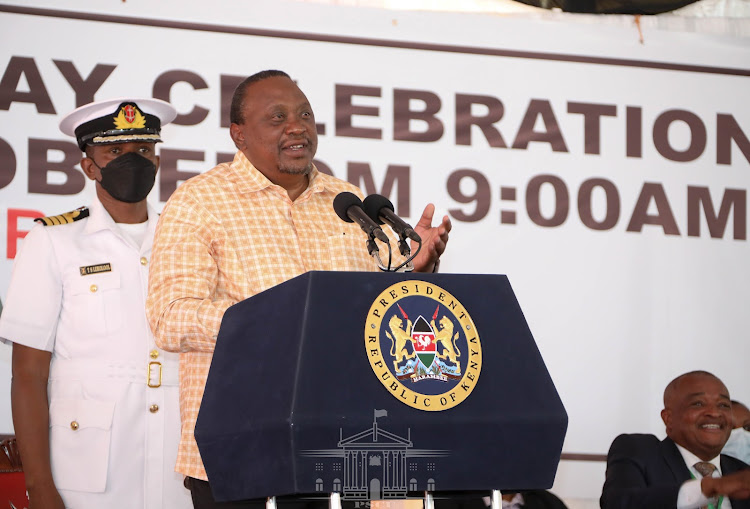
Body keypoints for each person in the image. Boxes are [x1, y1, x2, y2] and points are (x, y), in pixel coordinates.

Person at [145, 69, 452, 508]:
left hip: (347, 447)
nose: (297, 126)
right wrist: (278, 320)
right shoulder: (199, 201)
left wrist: (414, 274)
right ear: (239, 134)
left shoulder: (347, 202)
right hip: (242, 446)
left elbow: (375, 320)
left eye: (304, 114)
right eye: (277, 117)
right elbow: (170, 317)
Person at [0, 98, 192, 509]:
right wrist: (40, 486)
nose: (134, 161)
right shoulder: (52, 241)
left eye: (143, 151)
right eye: (116, 152)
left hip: (178, 461)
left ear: (157, 160)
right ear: (90, 166)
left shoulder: (186, 242)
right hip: (87, 468)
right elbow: (29, 374)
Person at [600, 370, 750, 509]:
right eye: (698, 403)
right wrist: (709, 488)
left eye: (723, 405)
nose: (715, 413)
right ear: (668, 418)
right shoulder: (639, 451)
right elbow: (618, 503)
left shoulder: (742, 472)